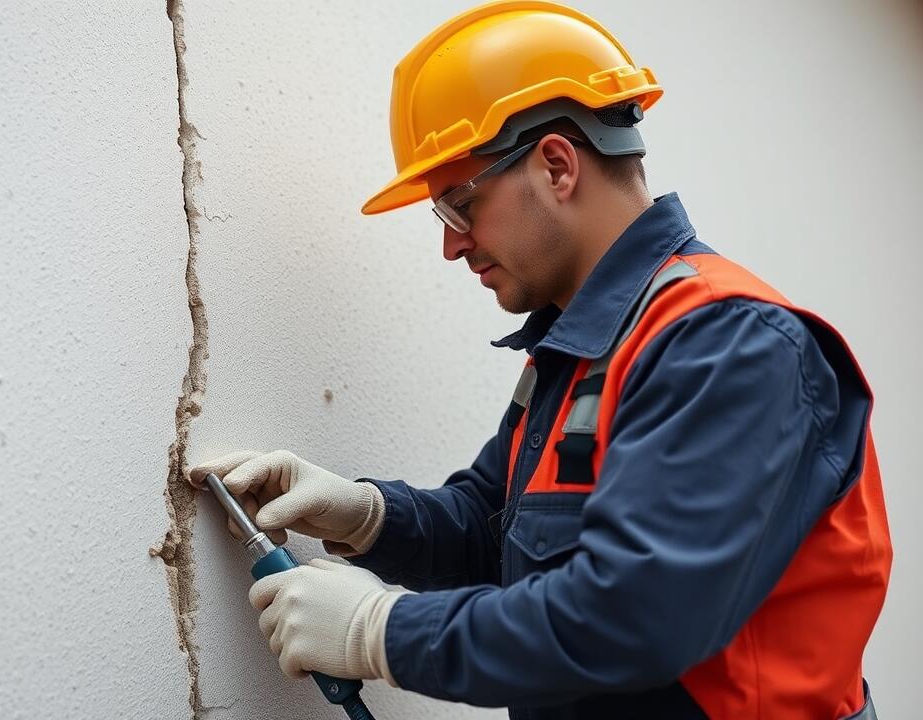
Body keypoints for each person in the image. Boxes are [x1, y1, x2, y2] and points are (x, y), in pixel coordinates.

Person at [189, 2, 891, 718]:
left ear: (556, 164)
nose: (451, 245)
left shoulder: (726, 346)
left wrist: (382, 633)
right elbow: (494, 528)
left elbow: (633, 618)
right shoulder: (586, 350)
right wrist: (366, 515)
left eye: (460, 205)